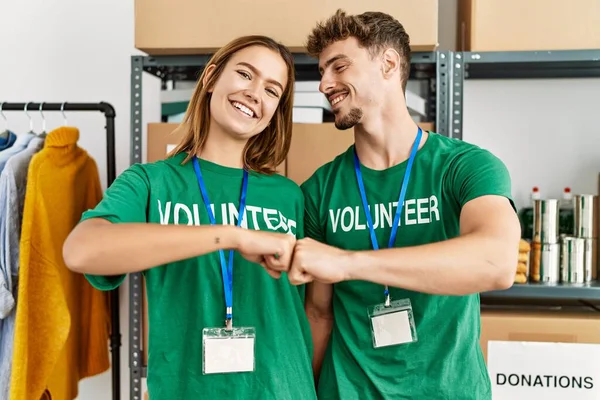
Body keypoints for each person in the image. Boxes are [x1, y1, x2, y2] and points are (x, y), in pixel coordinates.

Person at [63, 35, 317, 400]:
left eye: (272, 90)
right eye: (245, 74)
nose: (255, 93)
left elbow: (313, 312)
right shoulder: (150, 182)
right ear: (212, 77)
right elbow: (82, 250)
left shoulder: (290, 196)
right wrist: (232, 236)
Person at [287, 10, 521, 400]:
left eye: (339, 66)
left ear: (389, 64)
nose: (325, 84)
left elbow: (496, 263)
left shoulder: (464, 167)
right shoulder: (320, 190)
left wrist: (347, 263)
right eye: (322, 71)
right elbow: (318, 314)